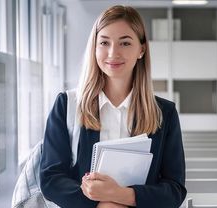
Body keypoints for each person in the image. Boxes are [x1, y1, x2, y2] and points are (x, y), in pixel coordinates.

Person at [40, 5, 187, 208]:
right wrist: (103, 205)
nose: (113, 53)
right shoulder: (67, 105)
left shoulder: (165, 113)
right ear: (94, 47)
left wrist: (121, 195)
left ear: (141, 50)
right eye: (104, 43)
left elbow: (174, 190)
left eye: (125, 43)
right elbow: (51, 179)